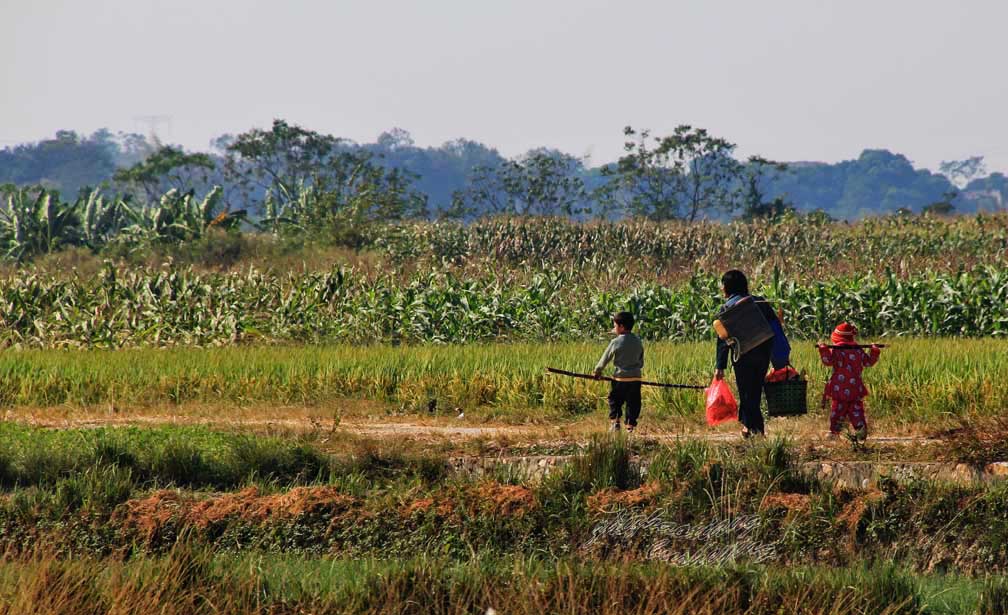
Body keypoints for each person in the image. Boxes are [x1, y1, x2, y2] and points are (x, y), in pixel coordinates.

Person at [713, 270, 781, 438]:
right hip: (763, 352)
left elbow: (723, 340)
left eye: (723, 285)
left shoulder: (727, 307)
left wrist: (720, 366)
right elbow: (775, 328)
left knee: (746, 391)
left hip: (743, 355)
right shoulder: (760, 302)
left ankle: (754, 429)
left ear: (727, 287)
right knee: (754, 390)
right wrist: (780, 356)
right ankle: (750, 427)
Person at [817, 323, 880, 441]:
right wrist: (874, 351)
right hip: (855, 387)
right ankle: (861, 430)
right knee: (856, 409)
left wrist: (823, 350)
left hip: (839, 387)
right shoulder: (858, 350)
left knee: (837, 410)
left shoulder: (837, 350)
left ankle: (834, 432)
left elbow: (827, 361)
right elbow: (868, 362)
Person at [593, 311, 645, 433]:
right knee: (633, 404)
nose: (614, 328)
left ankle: (615, 422)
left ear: (621, 326)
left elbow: (605, 358)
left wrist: (597, 371)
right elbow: (641, 361)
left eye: (615, 325)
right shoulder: (638, 341)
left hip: (620, 379)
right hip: (635, 379)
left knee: (615, 400)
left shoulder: (616, 342)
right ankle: (630, 427)